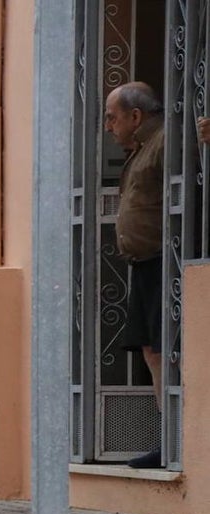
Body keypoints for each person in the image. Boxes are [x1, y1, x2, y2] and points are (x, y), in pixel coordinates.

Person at [105, 82, 164, 469]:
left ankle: (179, 439)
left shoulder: (166, 142)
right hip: (145, 265)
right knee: (151, 351)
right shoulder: (144, 147)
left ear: (136, 116)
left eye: (112, 117)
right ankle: (169, 438)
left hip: (165, 263)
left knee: (167, 350)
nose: (109, 126)